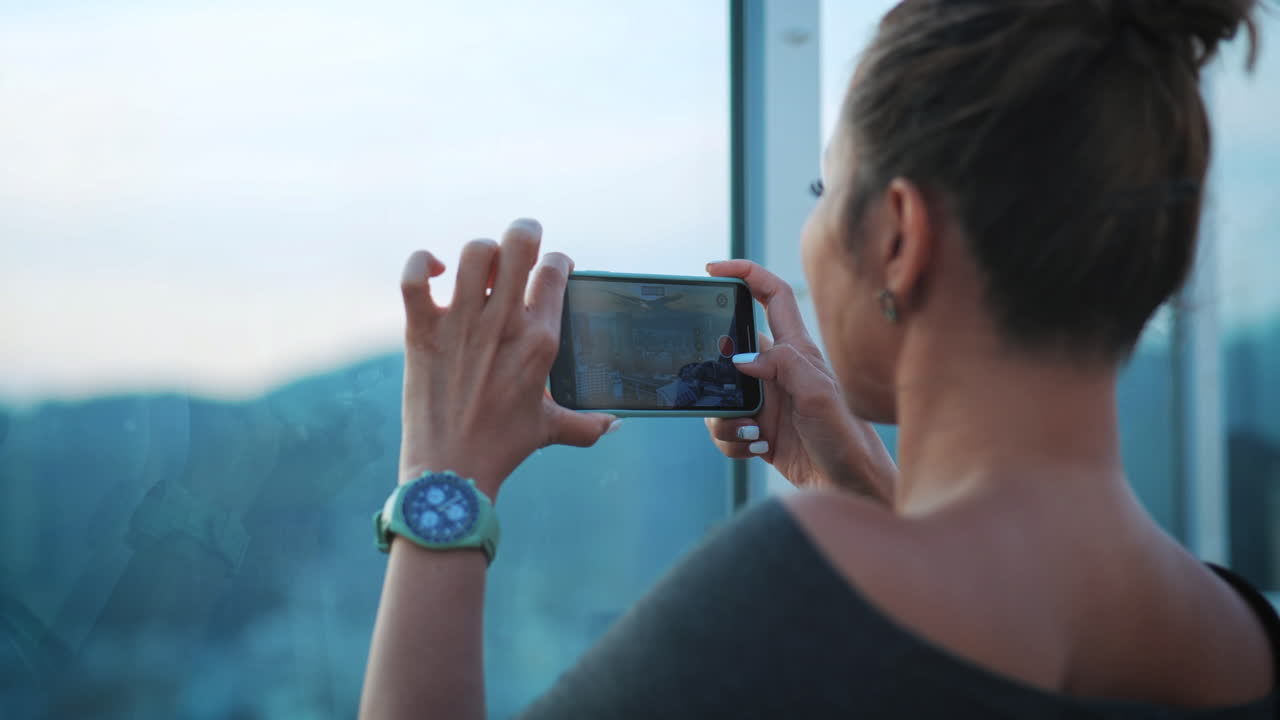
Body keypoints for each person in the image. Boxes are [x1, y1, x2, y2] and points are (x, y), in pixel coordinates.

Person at [359, 0, 1279, 717]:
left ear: (899, 239)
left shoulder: (791, 585)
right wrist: (870, 493)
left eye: (822, 188)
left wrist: (442, 477)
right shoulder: (1244, 636)